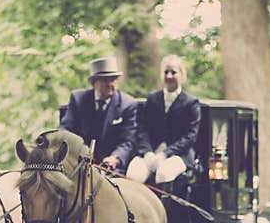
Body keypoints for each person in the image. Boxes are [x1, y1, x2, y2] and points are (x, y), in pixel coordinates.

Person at [126, 54, 201, 186]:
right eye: (166, 72)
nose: (169, 76)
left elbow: (190, 136)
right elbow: (143, 129)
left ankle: (163, 207)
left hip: (180, 155)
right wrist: (147, 152)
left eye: (173, 72)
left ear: (182, 75)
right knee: (133, 174)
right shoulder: (152, 99)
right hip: (151, 152)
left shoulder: (191, 103)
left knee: (164, 173)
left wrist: (166, 153)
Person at [59, 56, 137, 174]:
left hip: (110, 167)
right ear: (93, 83)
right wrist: (79, 151)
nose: (111, 84)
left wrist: (115, 158)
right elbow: (65, 129)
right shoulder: (78, 99)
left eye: (114, 79)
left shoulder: (127, 104)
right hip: (79, 163)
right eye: (105, 80)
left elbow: (128, 141)